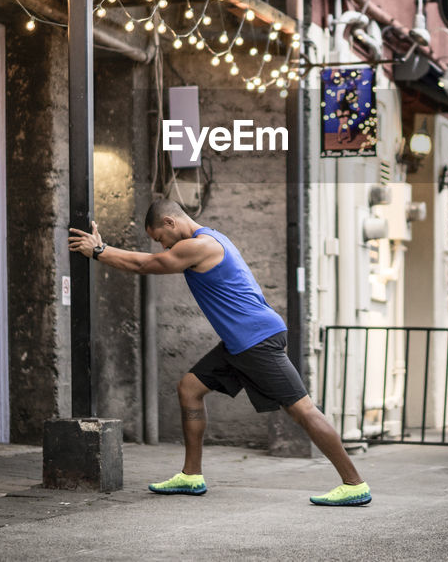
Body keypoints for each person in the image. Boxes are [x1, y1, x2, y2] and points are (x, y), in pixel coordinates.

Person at [68, 198, 371, 507]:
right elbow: (148, 260)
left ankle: (353, 483)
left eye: (160, 238)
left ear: (170, 223)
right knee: (189, 388)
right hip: (239, 342)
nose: (162, 246)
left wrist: (98, 251)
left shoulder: (199, 245)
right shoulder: (213, 237)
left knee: (302, 410)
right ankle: (191, 475)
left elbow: (145, 264)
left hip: (256, 339)